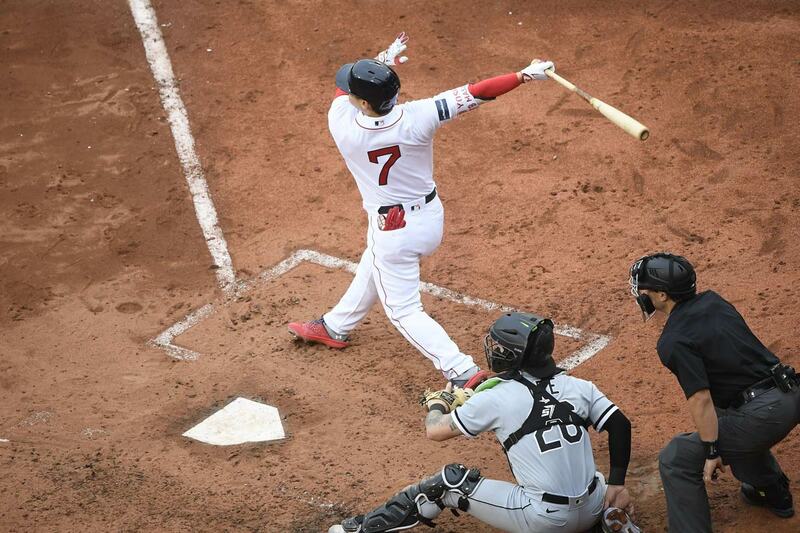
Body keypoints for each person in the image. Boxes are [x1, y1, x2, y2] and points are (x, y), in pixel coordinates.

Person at [288, 33, 555, 386]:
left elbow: (342, 93)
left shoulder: (341, 124)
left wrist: (382, 59)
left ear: (364, 103)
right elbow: (478, 92)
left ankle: (461, 370)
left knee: (403, 310)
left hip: (393, 230)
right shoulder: (421, 115)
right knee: (375, 259)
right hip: (429, 220)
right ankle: (336, 325)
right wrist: (523, 75)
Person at [328, 312, 640, 533]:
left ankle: (360, 530)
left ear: (514, 357)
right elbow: (620, 425)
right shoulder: (580, 387)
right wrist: (617, 484)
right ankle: (609, 520)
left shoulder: (495, 398)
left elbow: (435, 430)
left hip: (544, 519)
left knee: (448, 483)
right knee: (587, 474)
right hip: (595, 504)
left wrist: (438, 404)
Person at [629, 252, 800, 531]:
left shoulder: (673, 340)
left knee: (676, 458)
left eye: (645, 289)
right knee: (726, 415)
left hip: (764, 416)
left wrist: (712, 451)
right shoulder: (713, 301)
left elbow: (700, 398)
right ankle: (770, 491)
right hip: (790, 390)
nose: (642, 293)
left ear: (661, 295)